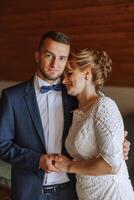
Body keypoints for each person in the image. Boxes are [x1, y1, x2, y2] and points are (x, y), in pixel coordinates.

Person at [0, 31, 130, 200]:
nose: (56, 64)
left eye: (62, 58)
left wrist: (121, 144)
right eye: (49, 55)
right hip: (29, 192)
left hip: (70, 191)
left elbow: (100, 128)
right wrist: (37, 160)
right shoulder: (12, 97)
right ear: (37, 56)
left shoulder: (75, 95)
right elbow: (2, 145)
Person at [52, 48, 134, 200]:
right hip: (87, 194)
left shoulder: (104, 106)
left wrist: (69, 166)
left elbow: (112, 165)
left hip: (111, 194)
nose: (63, 80)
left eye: (69, 73)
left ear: (87, 74)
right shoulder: (76, 112)